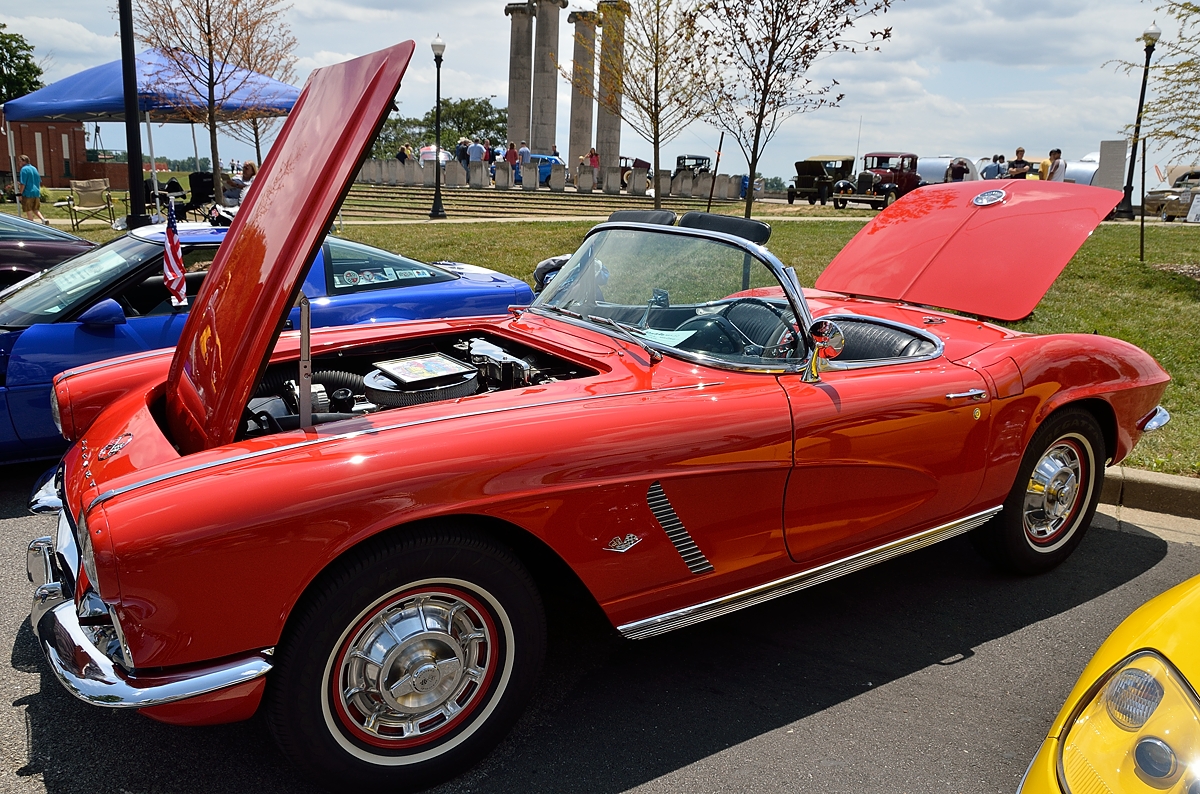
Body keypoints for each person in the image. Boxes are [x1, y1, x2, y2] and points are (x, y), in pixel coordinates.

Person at [16, 155, 47, 224]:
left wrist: (20, 193)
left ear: (24, 161)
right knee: (35, 209)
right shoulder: (34, 168)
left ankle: (31, 224)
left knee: (28, 209)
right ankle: (43, 220)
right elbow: (38, 181)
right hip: (36, 192)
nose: (19, 163)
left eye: (20, 161)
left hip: (28, 193)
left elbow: (23, 183)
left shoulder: (24, 169)